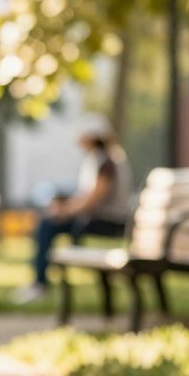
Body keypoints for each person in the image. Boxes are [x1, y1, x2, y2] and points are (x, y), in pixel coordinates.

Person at [14, 128, 131, 304]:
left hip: (108, 221)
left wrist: (66, 211)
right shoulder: (100, 159)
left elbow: (94, 198)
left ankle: (40, 283)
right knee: (47, 222)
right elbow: (85, 195)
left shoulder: (106, 161)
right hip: (94, 219)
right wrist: (65, 207)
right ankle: (40, 280)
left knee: (48, 225)